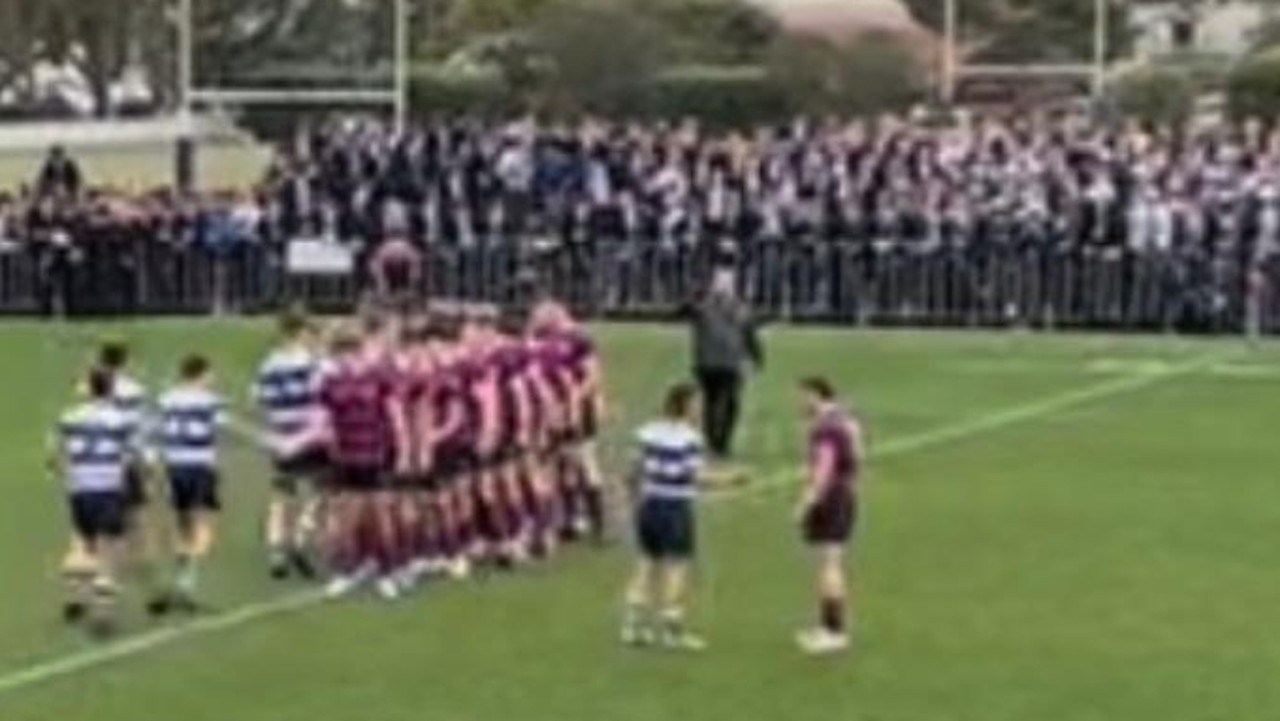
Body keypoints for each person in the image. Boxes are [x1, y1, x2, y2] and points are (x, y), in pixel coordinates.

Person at [318, 325, 408, 600]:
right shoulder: (332, 383)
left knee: (382, 516)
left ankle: (388, 573)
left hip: (376, 455)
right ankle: (347, 571)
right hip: (347, 457)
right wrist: (326, 443)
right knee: (348, 517)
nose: (343, 360)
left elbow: (396, 414)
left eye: (347, 353)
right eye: (339, 355)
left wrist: (403, 449)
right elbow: (326, 420)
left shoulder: (378, 379)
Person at [620, 383, 708, 652]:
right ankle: (671, 631)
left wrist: (633, 500)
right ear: (687, 406)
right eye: (697, 404)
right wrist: (733, 479)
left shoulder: (647, 432)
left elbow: (632, 471)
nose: (700, 409)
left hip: (650, 504)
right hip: (676, 507)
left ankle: (632, 626)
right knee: (676, 566)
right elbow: (695, 476)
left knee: (645, 563)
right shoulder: (691, 439)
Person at [50, 369, 131, 637]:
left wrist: (60, 469)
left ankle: (75, 597)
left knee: (82, 541)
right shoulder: (120, 419)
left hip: (79, 489)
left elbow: (54, 449)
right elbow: (131, 454)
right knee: (108, 551)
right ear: (110, 389)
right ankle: (102, 614)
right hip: (108, 488)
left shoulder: (70, 416)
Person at [794, 377, 864, 656]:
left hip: (831, 497)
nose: (799, 404)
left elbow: (824, 467)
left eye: (802, 397)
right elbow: (858, 456)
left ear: (815, 395)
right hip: (844, 493)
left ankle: (833, 630)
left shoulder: (825, 429)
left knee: (830, 563)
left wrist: (806, 501)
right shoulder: (847, 421)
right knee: (830, 561)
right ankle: (827, 627)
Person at [253, 310, 325, 580]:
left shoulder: (268, 363)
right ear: (300, 332)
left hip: (280, 433)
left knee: (281, 493)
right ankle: (300, 536)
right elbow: (320, 394)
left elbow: (261, 399)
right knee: (319, 487)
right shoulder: (311, 362)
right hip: (308, 433)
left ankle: (276, 552)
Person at [155, 355, 225, 611]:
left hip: (175, 467)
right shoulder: (209, 401)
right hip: (200, 467)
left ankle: (181, 571)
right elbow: (225, 427)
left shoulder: (166, 398)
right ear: (200, 374)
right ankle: (186, 580)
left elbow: (156, 430)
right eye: (210, 374)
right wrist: (265, 440)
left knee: (184, 524)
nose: (213, 379)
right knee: (206, 524)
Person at [687, 268, 762, 460]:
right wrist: (756, 358)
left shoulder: (703, 307)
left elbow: (749, 335)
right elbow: (750, 337)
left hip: (709, 363)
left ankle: (715, 443)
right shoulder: (739, 309)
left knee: (713, 404)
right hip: (726, 364)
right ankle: (720, 444)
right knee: (726, 404)